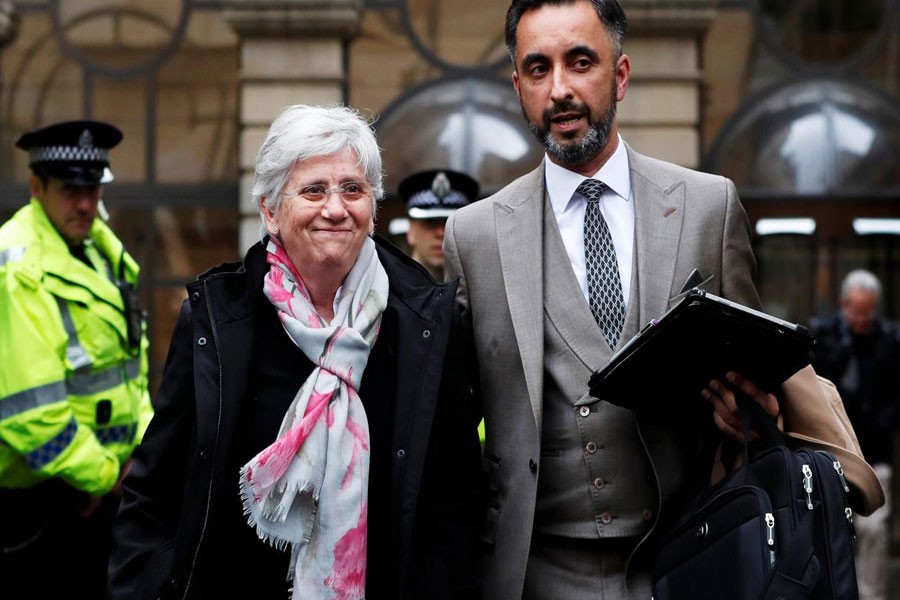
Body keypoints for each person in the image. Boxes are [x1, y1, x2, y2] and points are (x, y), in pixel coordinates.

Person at [442, 1, 883, 598]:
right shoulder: (474, 236)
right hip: (533, 572)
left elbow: (759, 378)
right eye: (538, 68)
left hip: (695, 556)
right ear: (517, 84)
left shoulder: (709, 207)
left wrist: (748, 412)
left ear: (620, 74)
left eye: (580, 62)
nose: (561, 90)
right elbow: (449, 415)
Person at [108, 104, 483, 600]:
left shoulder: (426, 324)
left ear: (372, 209)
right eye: (313, 190)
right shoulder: (219, 322)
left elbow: (457, 504)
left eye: (353, 189)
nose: (335, 208)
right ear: (270, 211)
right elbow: (156, 491)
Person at [0, 120, 152, 599]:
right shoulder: (17, 270)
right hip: (40, 506)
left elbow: (130, 369)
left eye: (93, 188)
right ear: (36, 187)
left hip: (101, 492)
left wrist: (142, 455)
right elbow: (30, 412)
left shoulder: (98, 250)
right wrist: (108, 475)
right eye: (70, 189)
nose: (85, 203)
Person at [810, 269, 900, 600]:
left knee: (874, 528)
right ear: (844, 304)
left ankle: (873, 595)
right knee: (831, 522)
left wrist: (884, 422)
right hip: (832, 447)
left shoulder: (889, 339)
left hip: (874, 450)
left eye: (868, 311)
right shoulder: (824, 334)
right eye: (856, 310)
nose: (862, 318)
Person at [399, 168, 479, 280]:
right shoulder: (387, 290)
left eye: (451, 223)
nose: (441, 233)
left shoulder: (481, 292)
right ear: (410, 231)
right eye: (429, 222)